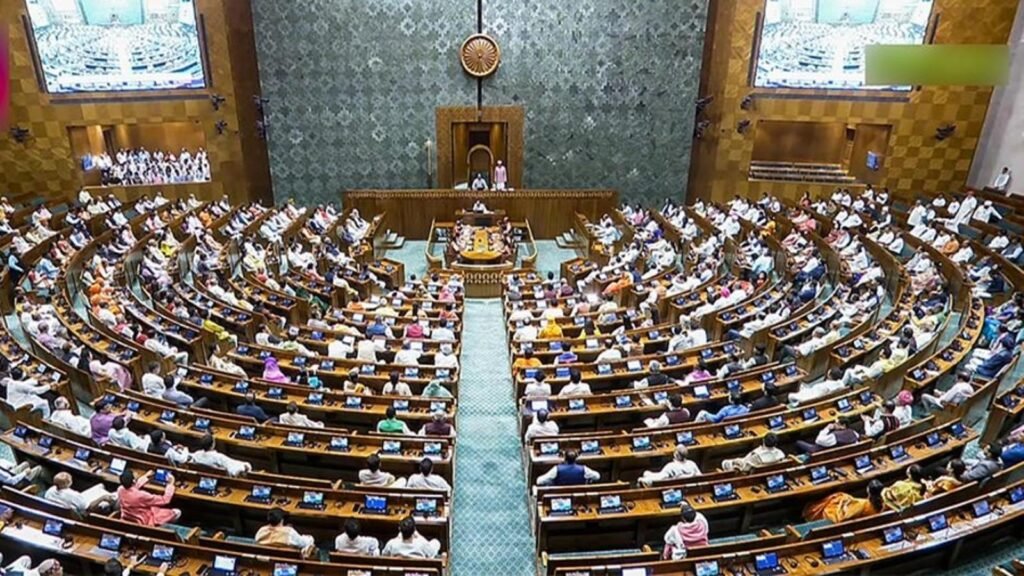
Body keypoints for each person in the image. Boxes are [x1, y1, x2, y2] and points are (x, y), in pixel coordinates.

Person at [803, 480, 884, 523]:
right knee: (841, 496)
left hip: (843, 519)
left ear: (868, 490)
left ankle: (810, 513)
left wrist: (843, 504)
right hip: (856, 515)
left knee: (834, 499)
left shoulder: (862, 504)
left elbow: (844, 518)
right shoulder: (882, 504)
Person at [44, 471, 118, 515]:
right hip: (84, 513)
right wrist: (103, 498)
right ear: (68, 483)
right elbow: (89, 508)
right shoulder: (73, 495)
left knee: (100, 486)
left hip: (65, 508)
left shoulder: (50, 491)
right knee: (114, 496)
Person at [721, 432, 785, 472]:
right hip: (768, 472)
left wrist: (736, 462)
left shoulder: (756, 456)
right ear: (775, 444)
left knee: (725, 462)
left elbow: (744, 467)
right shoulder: (781, 454)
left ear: (763, 440)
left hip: (747, 468)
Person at [536, 450, 601, 486]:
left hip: (559, 495)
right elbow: (597, 476)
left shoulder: (556, 469)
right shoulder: (584, 469)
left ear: (564, 458)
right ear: (576, 459)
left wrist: (550, 482)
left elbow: (539, 481)